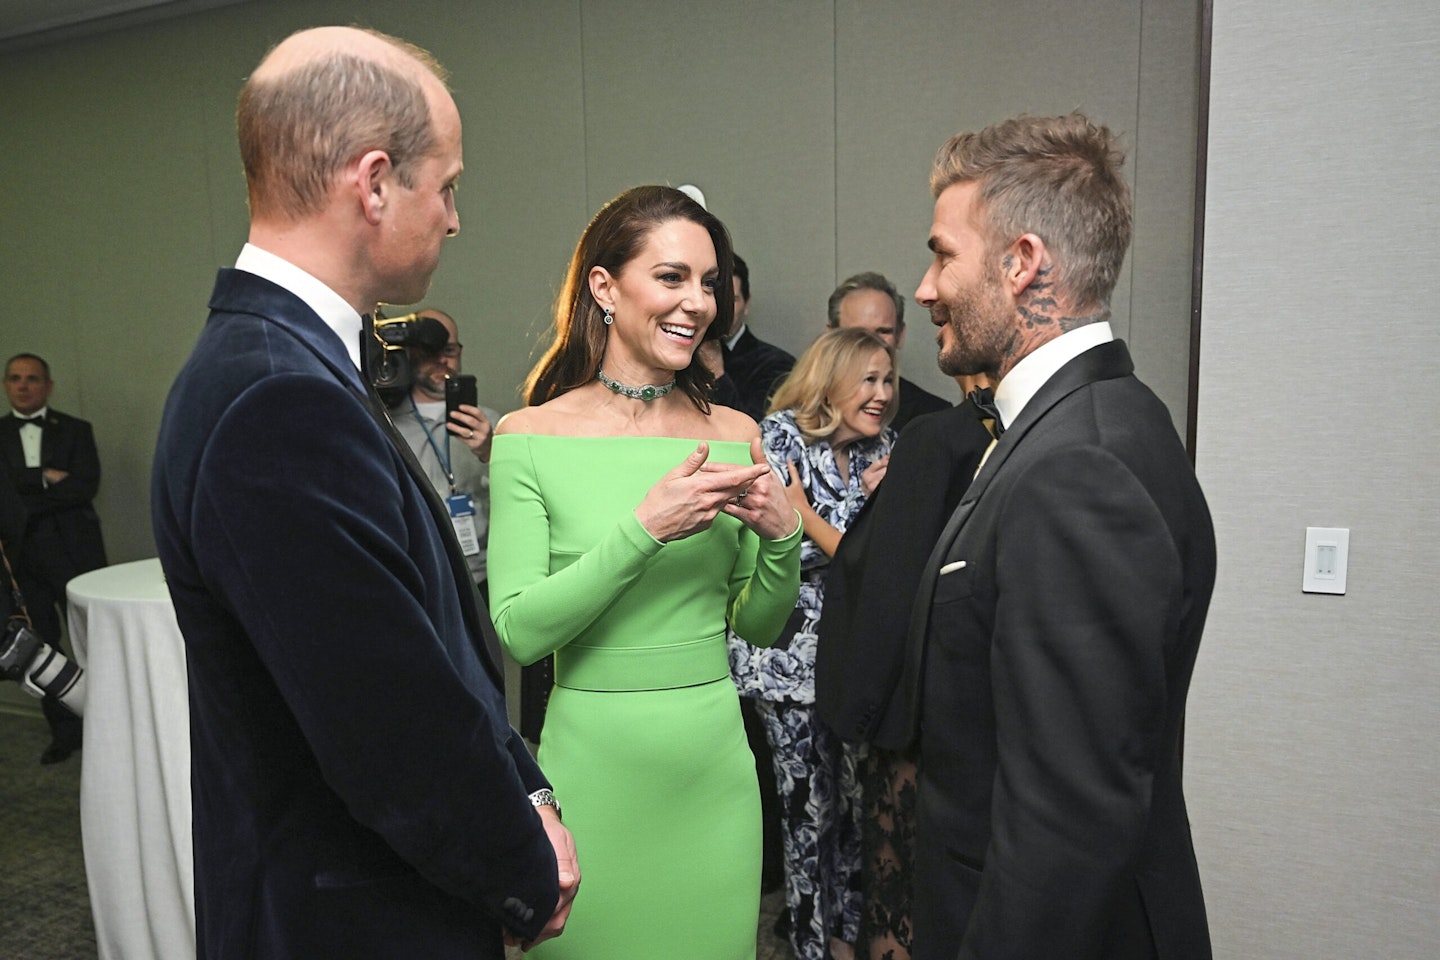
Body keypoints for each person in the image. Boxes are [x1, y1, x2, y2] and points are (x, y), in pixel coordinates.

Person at [150, 27, 576, 960]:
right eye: (448, 184)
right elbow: (386, 720)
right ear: (374, 182)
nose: (456, 217)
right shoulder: (278, 394)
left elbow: (423, 640)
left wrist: (528, 791)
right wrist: (519, 868)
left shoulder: (281, 364)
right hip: (354, 922)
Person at [902, 112, 1216, 959]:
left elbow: (1069, 824)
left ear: (1023, 263)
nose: (925, 288)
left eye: (941, 253)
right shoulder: (1087, 422)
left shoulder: (1081, 467)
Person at [487, 184, 802, 959]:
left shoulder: (735, 431)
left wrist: (784, 536)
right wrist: (644, 531)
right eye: (671, 277)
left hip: (713, 777)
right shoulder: (528, 436)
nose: (696, 302)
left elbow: (758, 624)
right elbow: (520, 630)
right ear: (604, 287)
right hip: (593, 773)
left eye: (707, 282)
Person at [729, 327, 898, 960]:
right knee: (807, 816)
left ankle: (847, 939)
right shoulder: (777, 438)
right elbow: (773, 546)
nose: (882, 395)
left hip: (855, 660)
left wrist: (813, 520)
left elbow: (882, 557)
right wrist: (836, 528)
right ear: (832, 378)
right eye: (869, 379)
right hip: (786, 664)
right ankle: (807, 946)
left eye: (889, 380)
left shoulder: (889, 448)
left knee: (857, 813)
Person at [814, 373, 993, 960]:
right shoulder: (1031, 436)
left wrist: (854, 711)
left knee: (900, 888)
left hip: (915, 710)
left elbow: (881, 584)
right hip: (991, 710)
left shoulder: (932, 438)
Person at [0, 353, 105, 764]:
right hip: (22, 562)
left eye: (32, 379)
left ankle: (110, 723)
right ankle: (66, 732)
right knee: (39, 649)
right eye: (14, 378)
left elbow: (84, 487)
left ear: (48, 385)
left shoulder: (77, 431)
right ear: (6, 385)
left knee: (95, 643)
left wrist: (21, 496)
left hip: (77, 555)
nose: (23, 385)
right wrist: (43, 478)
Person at [391, 306, 499, 593]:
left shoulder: (492, 423)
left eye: (449, 350)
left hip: (486, 577)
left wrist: (490, 451)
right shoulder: (387, 427)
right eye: (431, 351)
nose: (442, 359)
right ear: (410, 353)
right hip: (421, 579)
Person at [827, 272, 950, 431]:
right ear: (831, 336)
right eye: (858, 333)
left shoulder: (932, 416)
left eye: (883, 332)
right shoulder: (797, 414)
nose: (871, 343)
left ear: (900, 335)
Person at [720, 254, 796, 421]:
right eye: (717, 299)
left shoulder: (777, 365)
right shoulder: (679, 357)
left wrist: (717, 372)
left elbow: (756, 432)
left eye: (731, 300)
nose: (722, 310)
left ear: (746, 304)